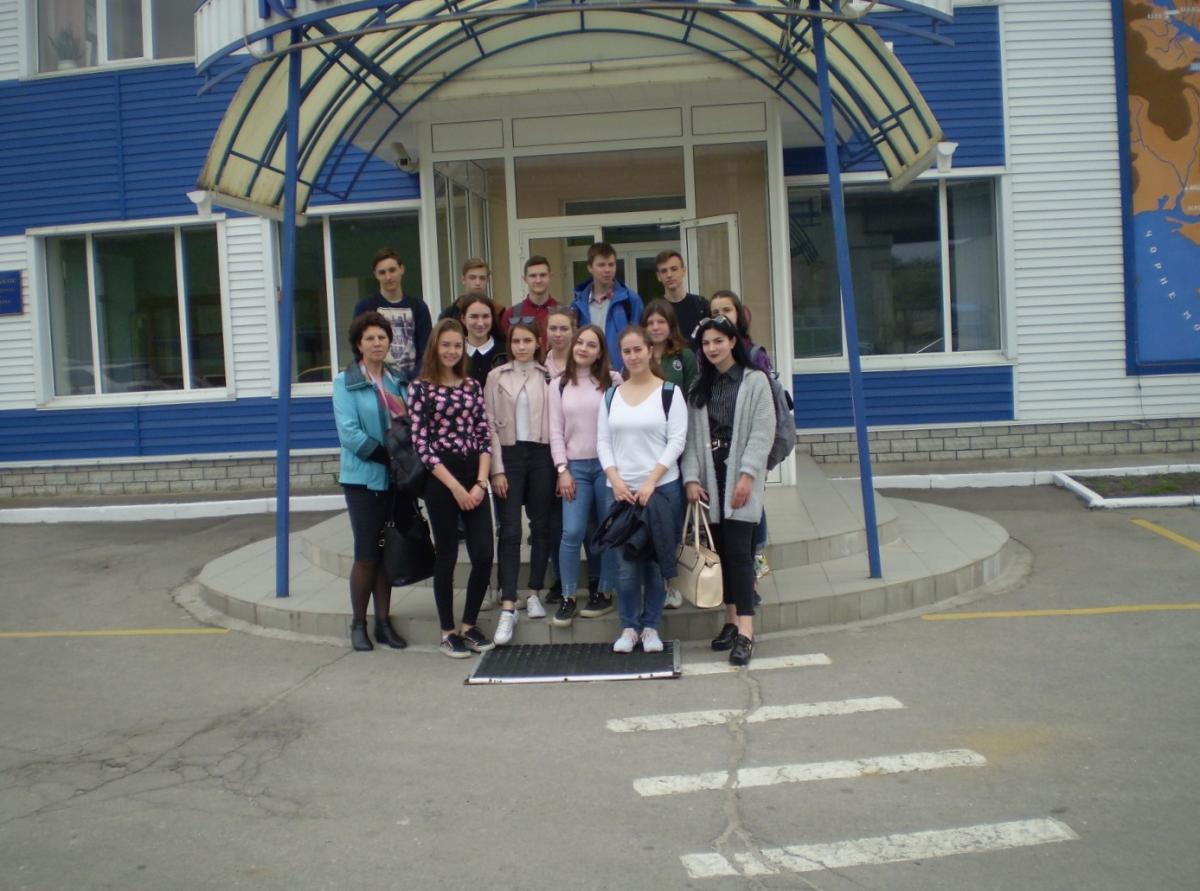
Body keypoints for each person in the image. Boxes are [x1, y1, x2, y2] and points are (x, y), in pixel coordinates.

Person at [682, 315, 775, 667]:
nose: (712, 348)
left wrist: (748, 475)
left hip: (739, 475)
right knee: (721, 552)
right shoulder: (700, 386)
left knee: (739, 554)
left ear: (733, 341)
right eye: (706, 343)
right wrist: (692, 479)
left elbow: (763, 432)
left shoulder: (754, 381)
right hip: (711, 477)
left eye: (718, 341)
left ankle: (747, 633)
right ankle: (731, 621)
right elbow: (692, 439)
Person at [596, 326, 687, 654]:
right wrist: (616, 479)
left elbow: (677, 440)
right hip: (621, 493)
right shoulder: (611, 396)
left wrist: (651, 480)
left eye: (638, 349)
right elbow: (603, 442)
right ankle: (629, 627)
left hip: (661, 491)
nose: (633, 356)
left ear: (650, 351)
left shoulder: (669, 393)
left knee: (655, 562)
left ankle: (651, 627)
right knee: (625, 566)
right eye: (627, 351)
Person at [408, 319, 495, 658]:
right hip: (441, 478)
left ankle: (469, 624)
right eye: (445, 345)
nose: (451, 351)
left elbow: (484, 435)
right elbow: (422, 445)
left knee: (484, 553)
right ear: (435, 347)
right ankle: (448, 631)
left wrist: (480, 483)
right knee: (446, 555)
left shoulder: (472, 386)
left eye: (457, 345)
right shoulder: (420, 388)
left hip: (475, 475)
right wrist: (457, 488)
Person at [331, 311, 412, 652]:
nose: (377, 343)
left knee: (387, 551)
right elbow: (349, 433)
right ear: (358, 344)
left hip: (397, 480)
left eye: (382, 337)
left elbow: (409, 424)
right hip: (364, 479)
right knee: (367, 554)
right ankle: (358, 623)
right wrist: (387, 457)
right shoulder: (345, 382)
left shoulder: (397, 380)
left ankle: (383, 623)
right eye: (370, 338)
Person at [485, 322, 557, 644]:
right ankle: (508, 604)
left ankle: (535, 591)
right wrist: (497, 469)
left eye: (528, 340)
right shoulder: (496, 376)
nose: (522, 346)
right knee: (511, 530)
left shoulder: (548, 375)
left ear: (538, 342)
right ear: (510, 344)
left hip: (541, 454)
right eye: (516, 341)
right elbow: (488, 425)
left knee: (541, 526)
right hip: (509, 454)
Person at [549, 324, 624, 627]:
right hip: (575, 469)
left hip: (607, 468)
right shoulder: (559, 383)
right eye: (580, 342)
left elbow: (621, 426)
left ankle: (604, 592)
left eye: (591, 345)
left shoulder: (613, 381)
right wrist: (562, 469)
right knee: (572, 532)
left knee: (608, 531)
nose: (583, 348)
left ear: (600, 352)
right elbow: (555, 430)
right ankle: (568, 596)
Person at [709, 289, 774, 579]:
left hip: (747, 455)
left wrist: (754, 467)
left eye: (727, 310)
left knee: (744, 538)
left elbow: (765, 419)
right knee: (726, 544)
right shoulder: (707, 365)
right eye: (715, 312)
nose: (721, 316)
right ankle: (736, 595)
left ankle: (755, 563)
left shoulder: (754, 358)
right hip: (717, 461)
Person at [352, 248, 432, 377]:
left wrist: (413, 380)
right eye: (382, 272)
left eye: (392, 270)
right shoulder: (364, 307)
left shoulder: (419, 307)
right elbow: (358, 349)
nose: (388, 277)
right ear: (375, 275)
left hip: (412, 382)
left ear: (402, 269)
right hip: (377, 381)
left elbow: (426, 350)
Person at [571, 242, 643, 372]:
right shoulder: (577, 305)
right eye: (601, 265)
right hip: (588, 372)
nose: (607, 270)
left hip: (621, 373)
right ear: (590, 267)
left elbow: (640, 339)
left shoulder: (630, 300)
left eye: (611, 264)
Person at [642, 298, 698, 394]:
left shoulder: (685, 356)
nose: (655, 327)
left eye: (661, 322)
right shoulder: (639, 357)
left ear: (671, 325)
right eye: (650, 323)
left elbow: (692, 395)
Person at [500, 255, 559, 343]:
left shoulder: (563, 313)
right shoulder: (511, 315)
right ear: (525, 279)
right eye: (533, 276)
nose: (538, 280)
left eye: (543, 275)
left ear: (550, 276)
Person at [655, 249, 709, 343]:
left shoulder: (701, 305)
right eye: (664, 271)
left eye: (674, 269)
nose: (669, 275)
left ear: (684, 271)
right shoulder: (655, 310)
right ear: (658, 276)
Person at [461, 294, 506, 389]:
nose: (480, 323)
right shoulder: (455, 353)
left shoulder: (505, 352)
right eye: (474, 316)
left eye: (485, 316)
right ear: (463, 319)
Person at [439, 258, 492, 324]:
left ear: (487, 280)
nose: (478, 283)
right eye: (472, 278)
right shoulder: (449, 314)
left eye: (482, 278)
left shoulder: (497, 312)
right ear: (463, 279)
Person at [543, 307, 576, 378]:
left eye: (564, 329)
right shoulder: (541, 363)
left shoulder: (584, 362)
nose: (558, 334)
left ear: (573, 331)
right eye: (553, 328)